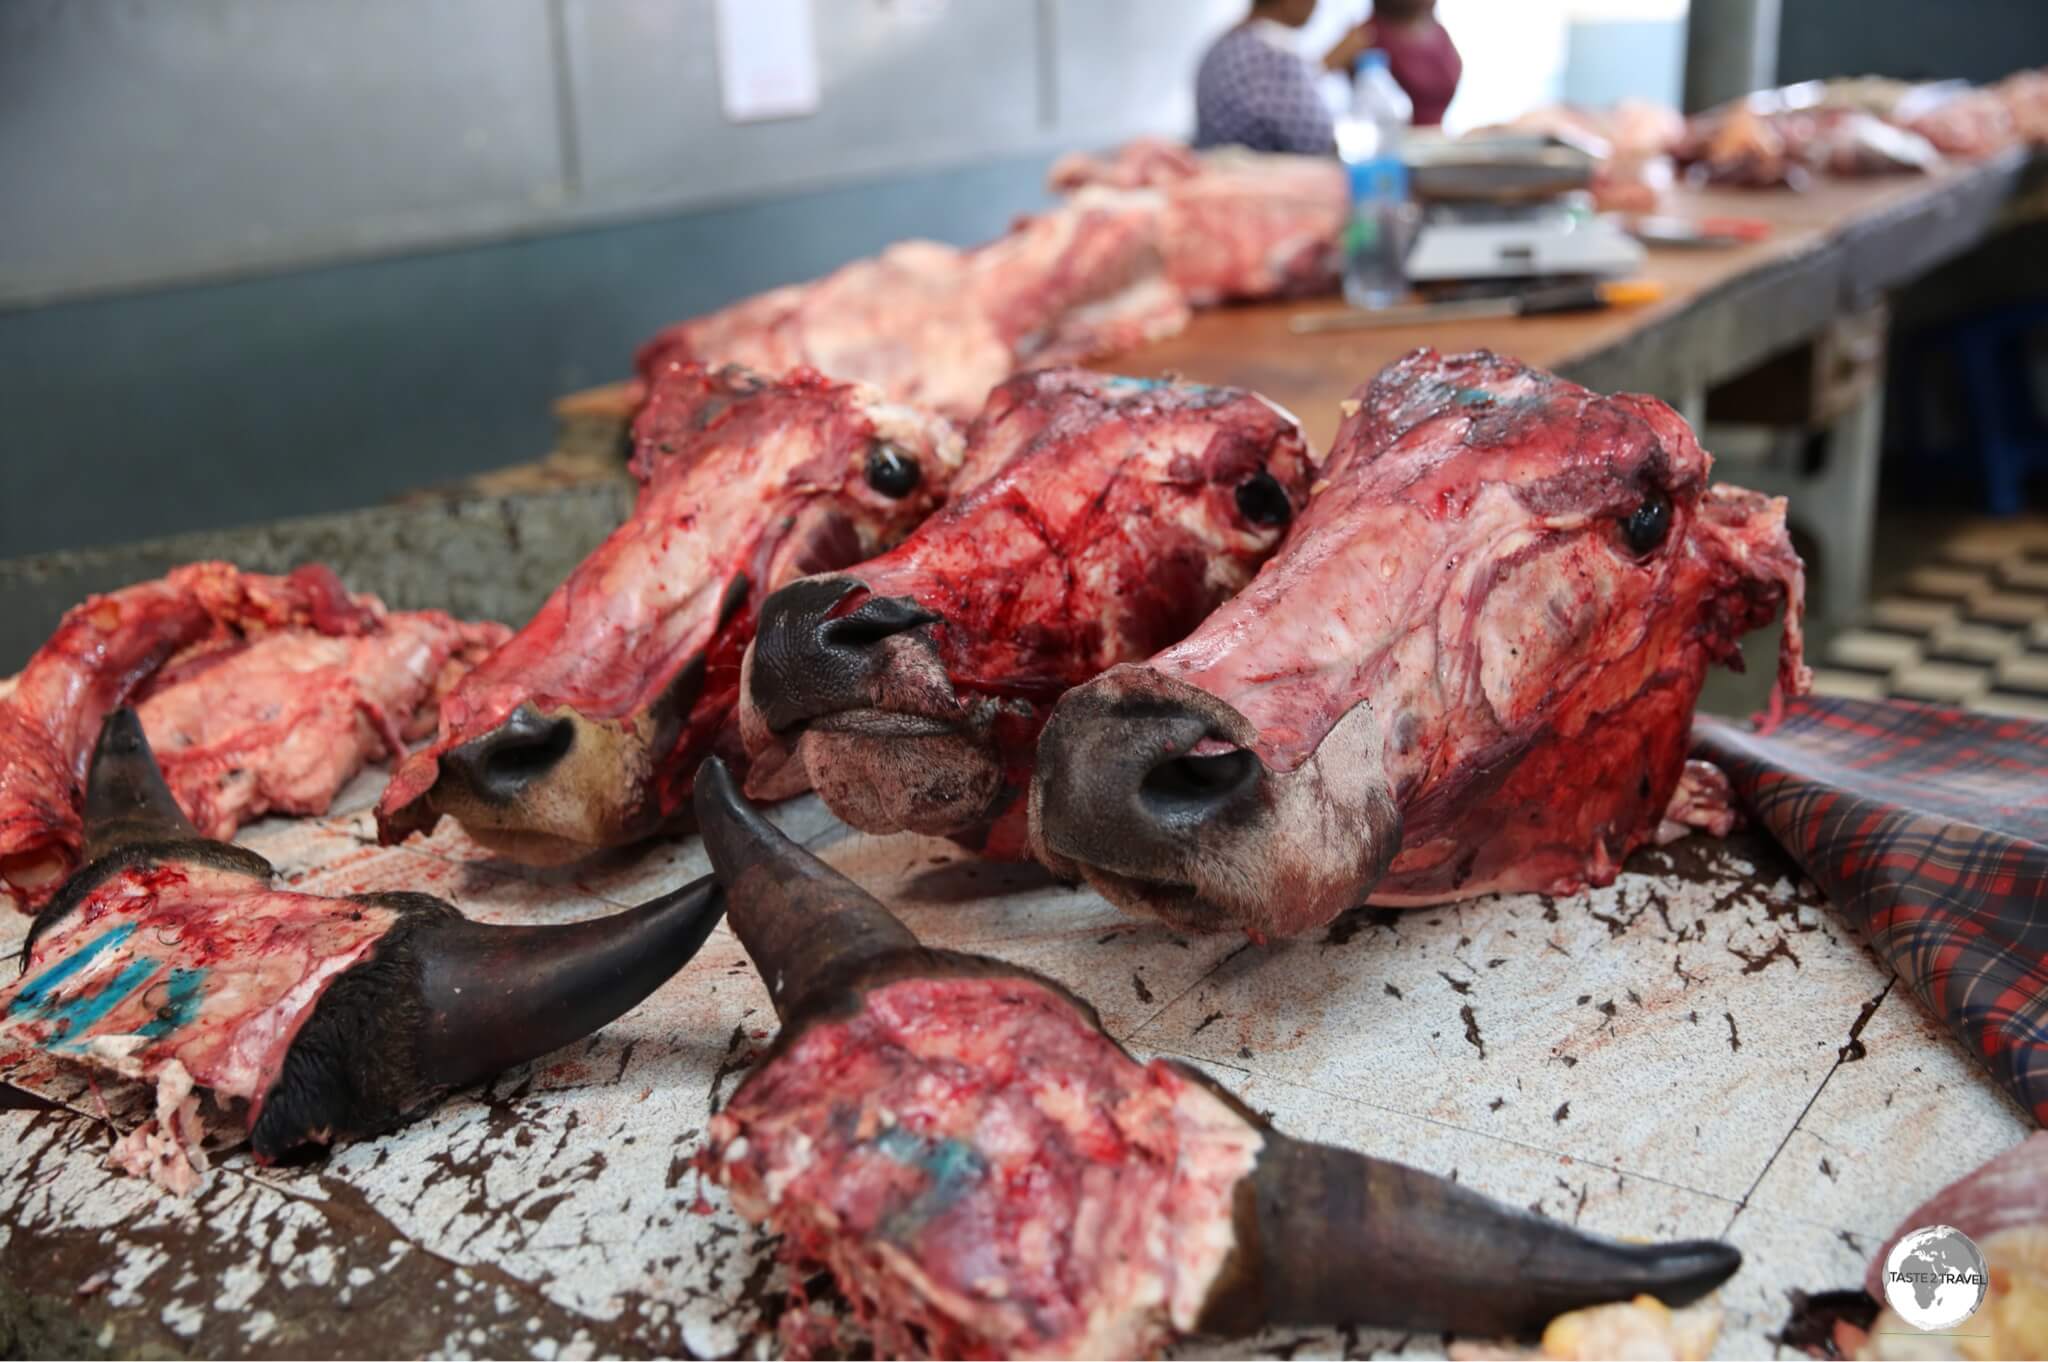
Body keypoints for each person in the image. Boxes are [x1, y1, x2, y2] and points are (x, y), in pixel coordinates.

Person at [1193, 0, 1374, 155]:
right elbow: (1320, 141)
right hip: (1258, 182)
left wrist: (1325, 65)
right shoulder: (1271, 52)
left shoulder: (1226, 43)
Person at [1359, 0, 1461, 127]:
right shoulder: (1368, 33)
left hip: (1438, 140)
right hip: (1393, 142)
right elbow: (1326, 69)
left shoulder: (1438, 32)